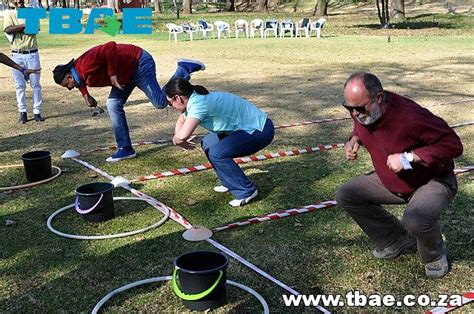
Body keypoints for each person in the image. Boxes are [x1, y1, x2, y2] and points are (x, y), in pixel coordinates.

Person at [335, 72, 463, 278]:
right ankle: (395, 239)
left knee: (415, 219)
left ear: (378, 98)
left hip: (432, 180)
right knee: (347, 195)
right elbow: (359, 125)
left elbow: (453, 145)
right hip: (393, 181)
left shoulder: (409, 115)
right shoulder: (364, 111)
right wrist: (354, 139)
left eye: (359, 108)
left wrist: (408, 159)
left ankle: (434, 256)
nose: (354, 114)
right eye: (348, 108)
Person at [52, 41, 205, 162]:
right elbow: (81, 81)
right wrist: (85, 95)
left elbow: (109, 47)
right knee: (113, 104)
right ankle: (125, 148)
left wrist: (112, 75)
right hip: (124, 75)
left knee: (160, 102)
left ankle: (183, 69)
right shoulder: (78, 75)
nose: (69, 88)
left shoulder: (84, 64)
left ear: (69, 77)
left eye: (67, 85)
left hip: (138, 63)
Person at [166, 77, 274, 207]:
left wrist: (177, 140)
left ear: (178, 98)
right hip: (242, 129)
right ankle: (229, 181)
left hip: (259, 130)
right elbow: (181, 121)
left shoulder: (199, 104)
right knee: (208, 143)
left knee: (217, 152)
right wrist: (178, 138)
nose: (171, 107)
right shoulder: (194, 100)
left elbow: (182, 136)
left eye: (169, 103)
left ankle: (246, 191)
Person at [3, 0, 43, 124]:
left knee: (35, 85)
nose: (18, 1)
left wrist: (18, 28)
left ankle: (37, 112)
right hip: (16, 54)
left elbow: (34, 29)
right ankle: (23, 112)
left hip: (31, 52)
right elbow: (8, 29)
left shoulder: (31, 11)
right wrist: (23, 25)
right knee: (19, 85)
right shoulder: (9, 13)